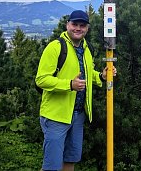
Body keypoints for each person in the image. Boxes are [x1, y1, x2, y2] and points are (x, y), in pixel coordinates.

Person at [35, 10, 116, 171]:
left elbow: (87, 73)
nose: (78, 28)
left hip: (78, 114)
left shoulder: (87, 48)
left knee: (70, 160)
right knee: (52, 165)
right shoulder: (56, 47)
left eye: (82, 25)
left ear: (87, 28)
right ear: (67, 25)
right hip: (56, 115)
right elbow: (41, 79)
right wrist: (69, 84)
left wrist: (101, 76)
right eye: (74, 24)